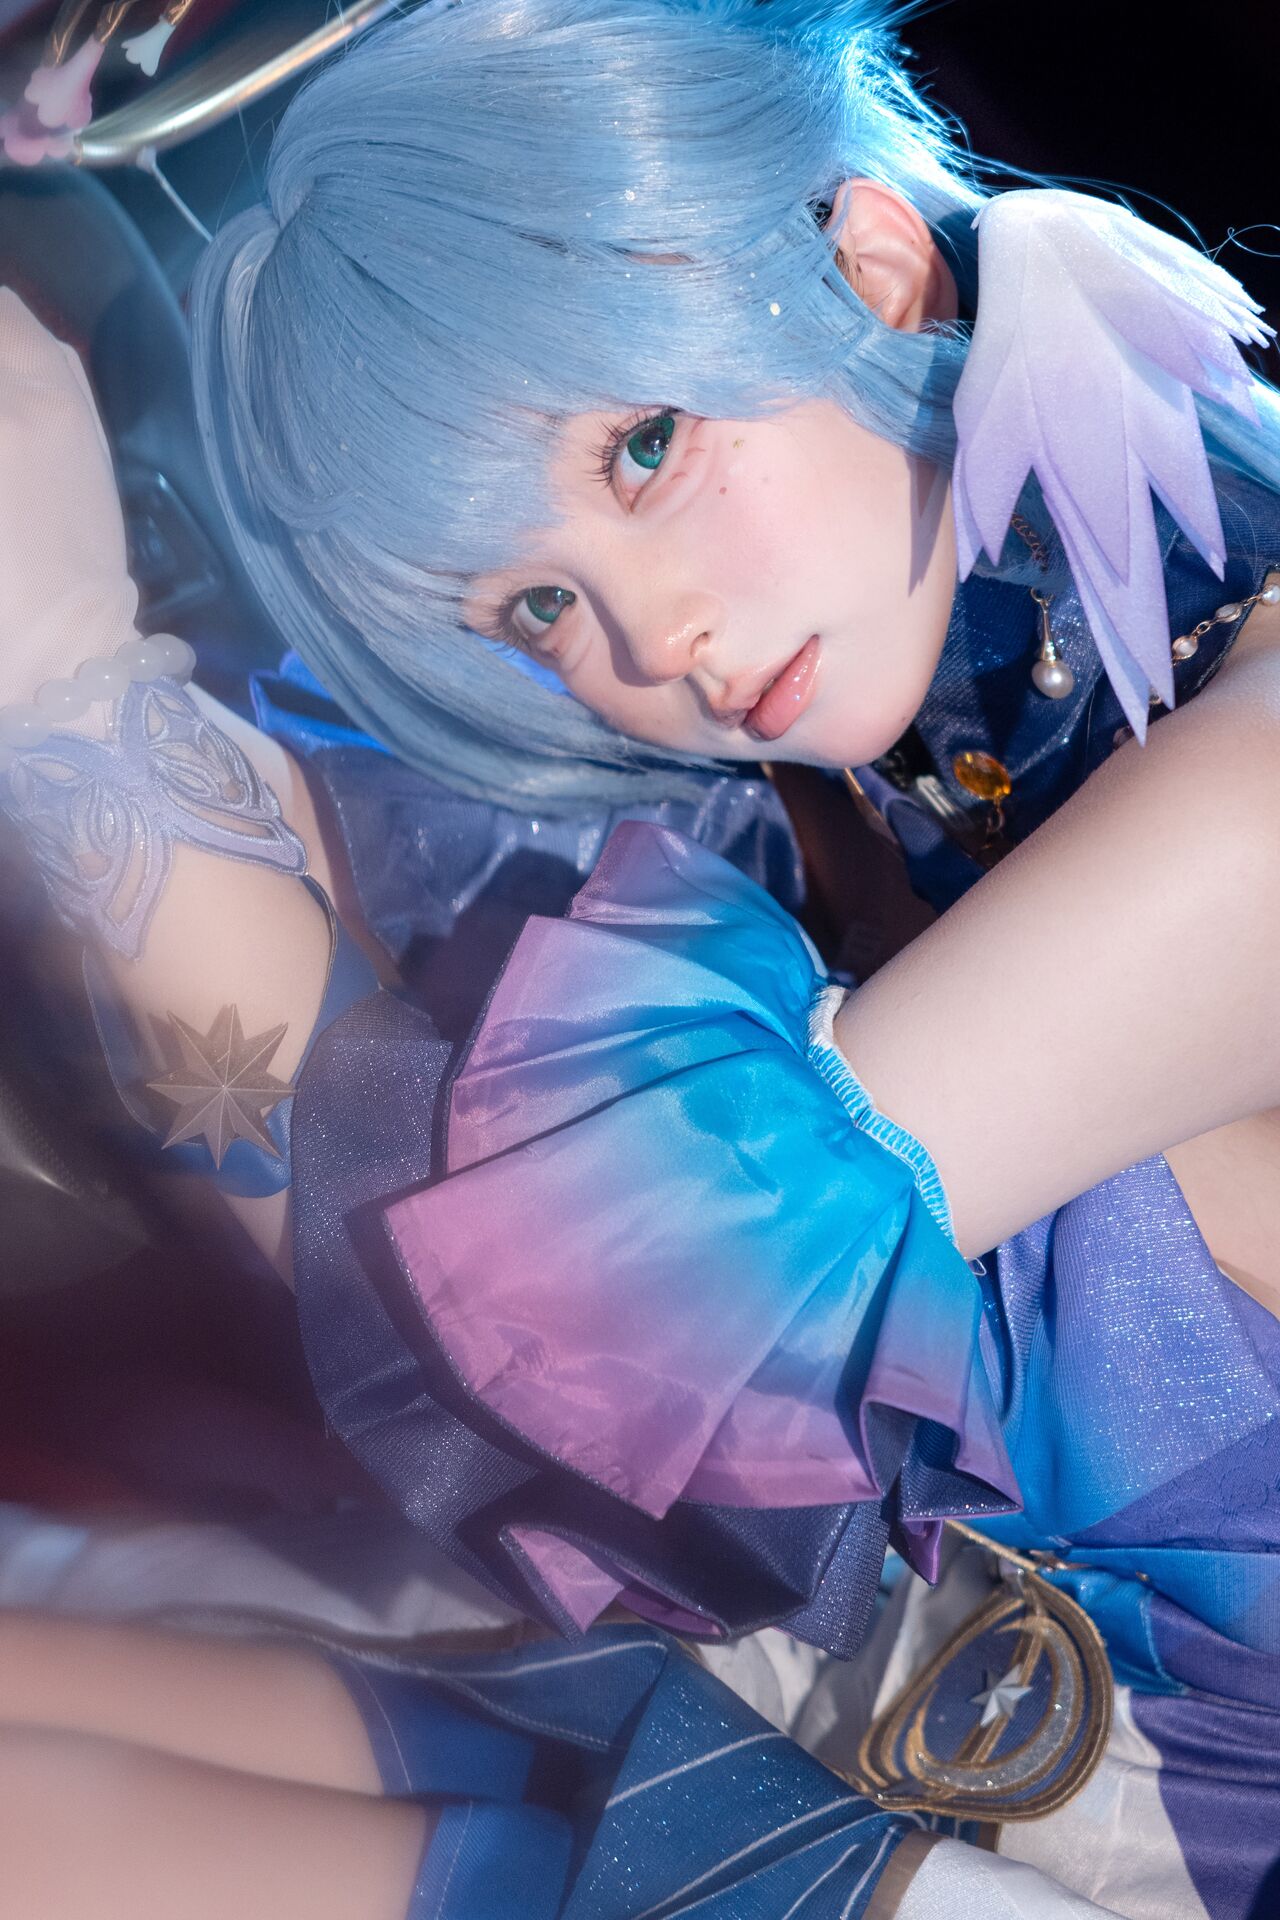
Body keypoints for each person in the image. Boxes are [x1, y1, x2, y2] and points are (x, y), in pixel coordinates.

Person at [1, 0, 1278, 1912]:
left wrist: (66, 687)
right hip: (863, 1726)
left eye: (645, 447)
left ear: (868, 259)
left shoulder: (1250, 788)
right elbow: (422, 1166)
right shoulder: (901, 769)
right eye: (536, 603)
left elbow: (579, 1352)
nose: (652, 638)